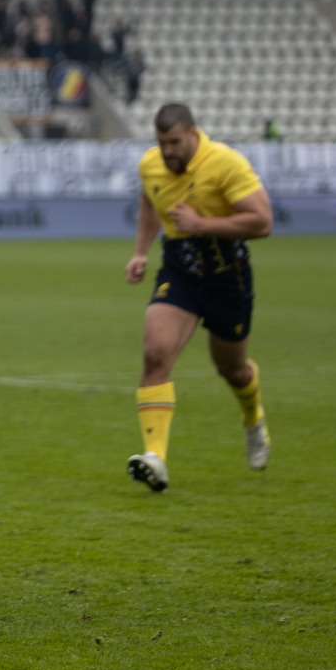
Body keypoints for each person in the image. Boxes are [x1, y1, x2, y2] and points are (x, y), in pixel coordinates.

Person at [123, 103, 274, 493]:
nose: (167, 151)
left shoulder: (225, 163)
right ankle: (155, 458)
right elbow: (148, 200)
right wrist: (141, 250)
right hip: (181, 269)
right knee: (156, 353)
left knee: (232, 370)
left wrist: (201, 223)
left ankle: (253, 417)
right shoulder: (151, 165)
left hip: (228, 273)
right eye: (160, 143)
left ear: (192, 134)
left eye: (173, 142)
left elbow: (262, 221)